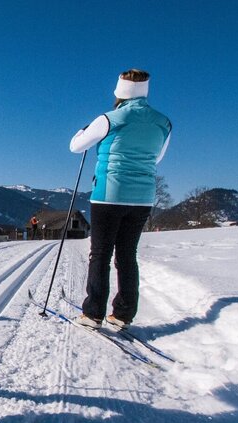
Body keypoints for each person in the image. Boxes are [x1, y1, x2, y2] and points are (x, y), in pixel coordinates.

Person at [69, 69, 171, 329]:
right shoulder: (163, 123)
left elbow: (76, 146)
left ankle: (93, 314)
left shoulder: (110, 119)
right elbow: (157, 157)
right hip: (143, 197)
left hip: (109, 195)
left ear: (119, 92)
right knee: (127, 254)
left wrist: (82, 133)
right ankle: (123, 314)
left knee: (100, 253)